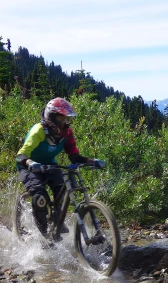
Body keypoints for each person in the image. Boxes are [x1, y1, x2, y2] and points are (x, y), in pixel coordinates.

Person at [16, 97, 105, 239]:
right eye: (60, 118)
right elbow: (21, 154)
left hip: (50, 164)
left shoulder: (67, 133)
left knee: (62, 191)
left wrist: (92, 161)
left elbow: (74, 156)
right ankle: (44, 236)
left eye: (67, 119)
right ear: (51, 117)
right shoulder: (39, 131)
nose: (65, 122)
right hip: (28, 166)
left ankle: (57, 220)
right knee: (40, 198)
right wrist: (30, 163)